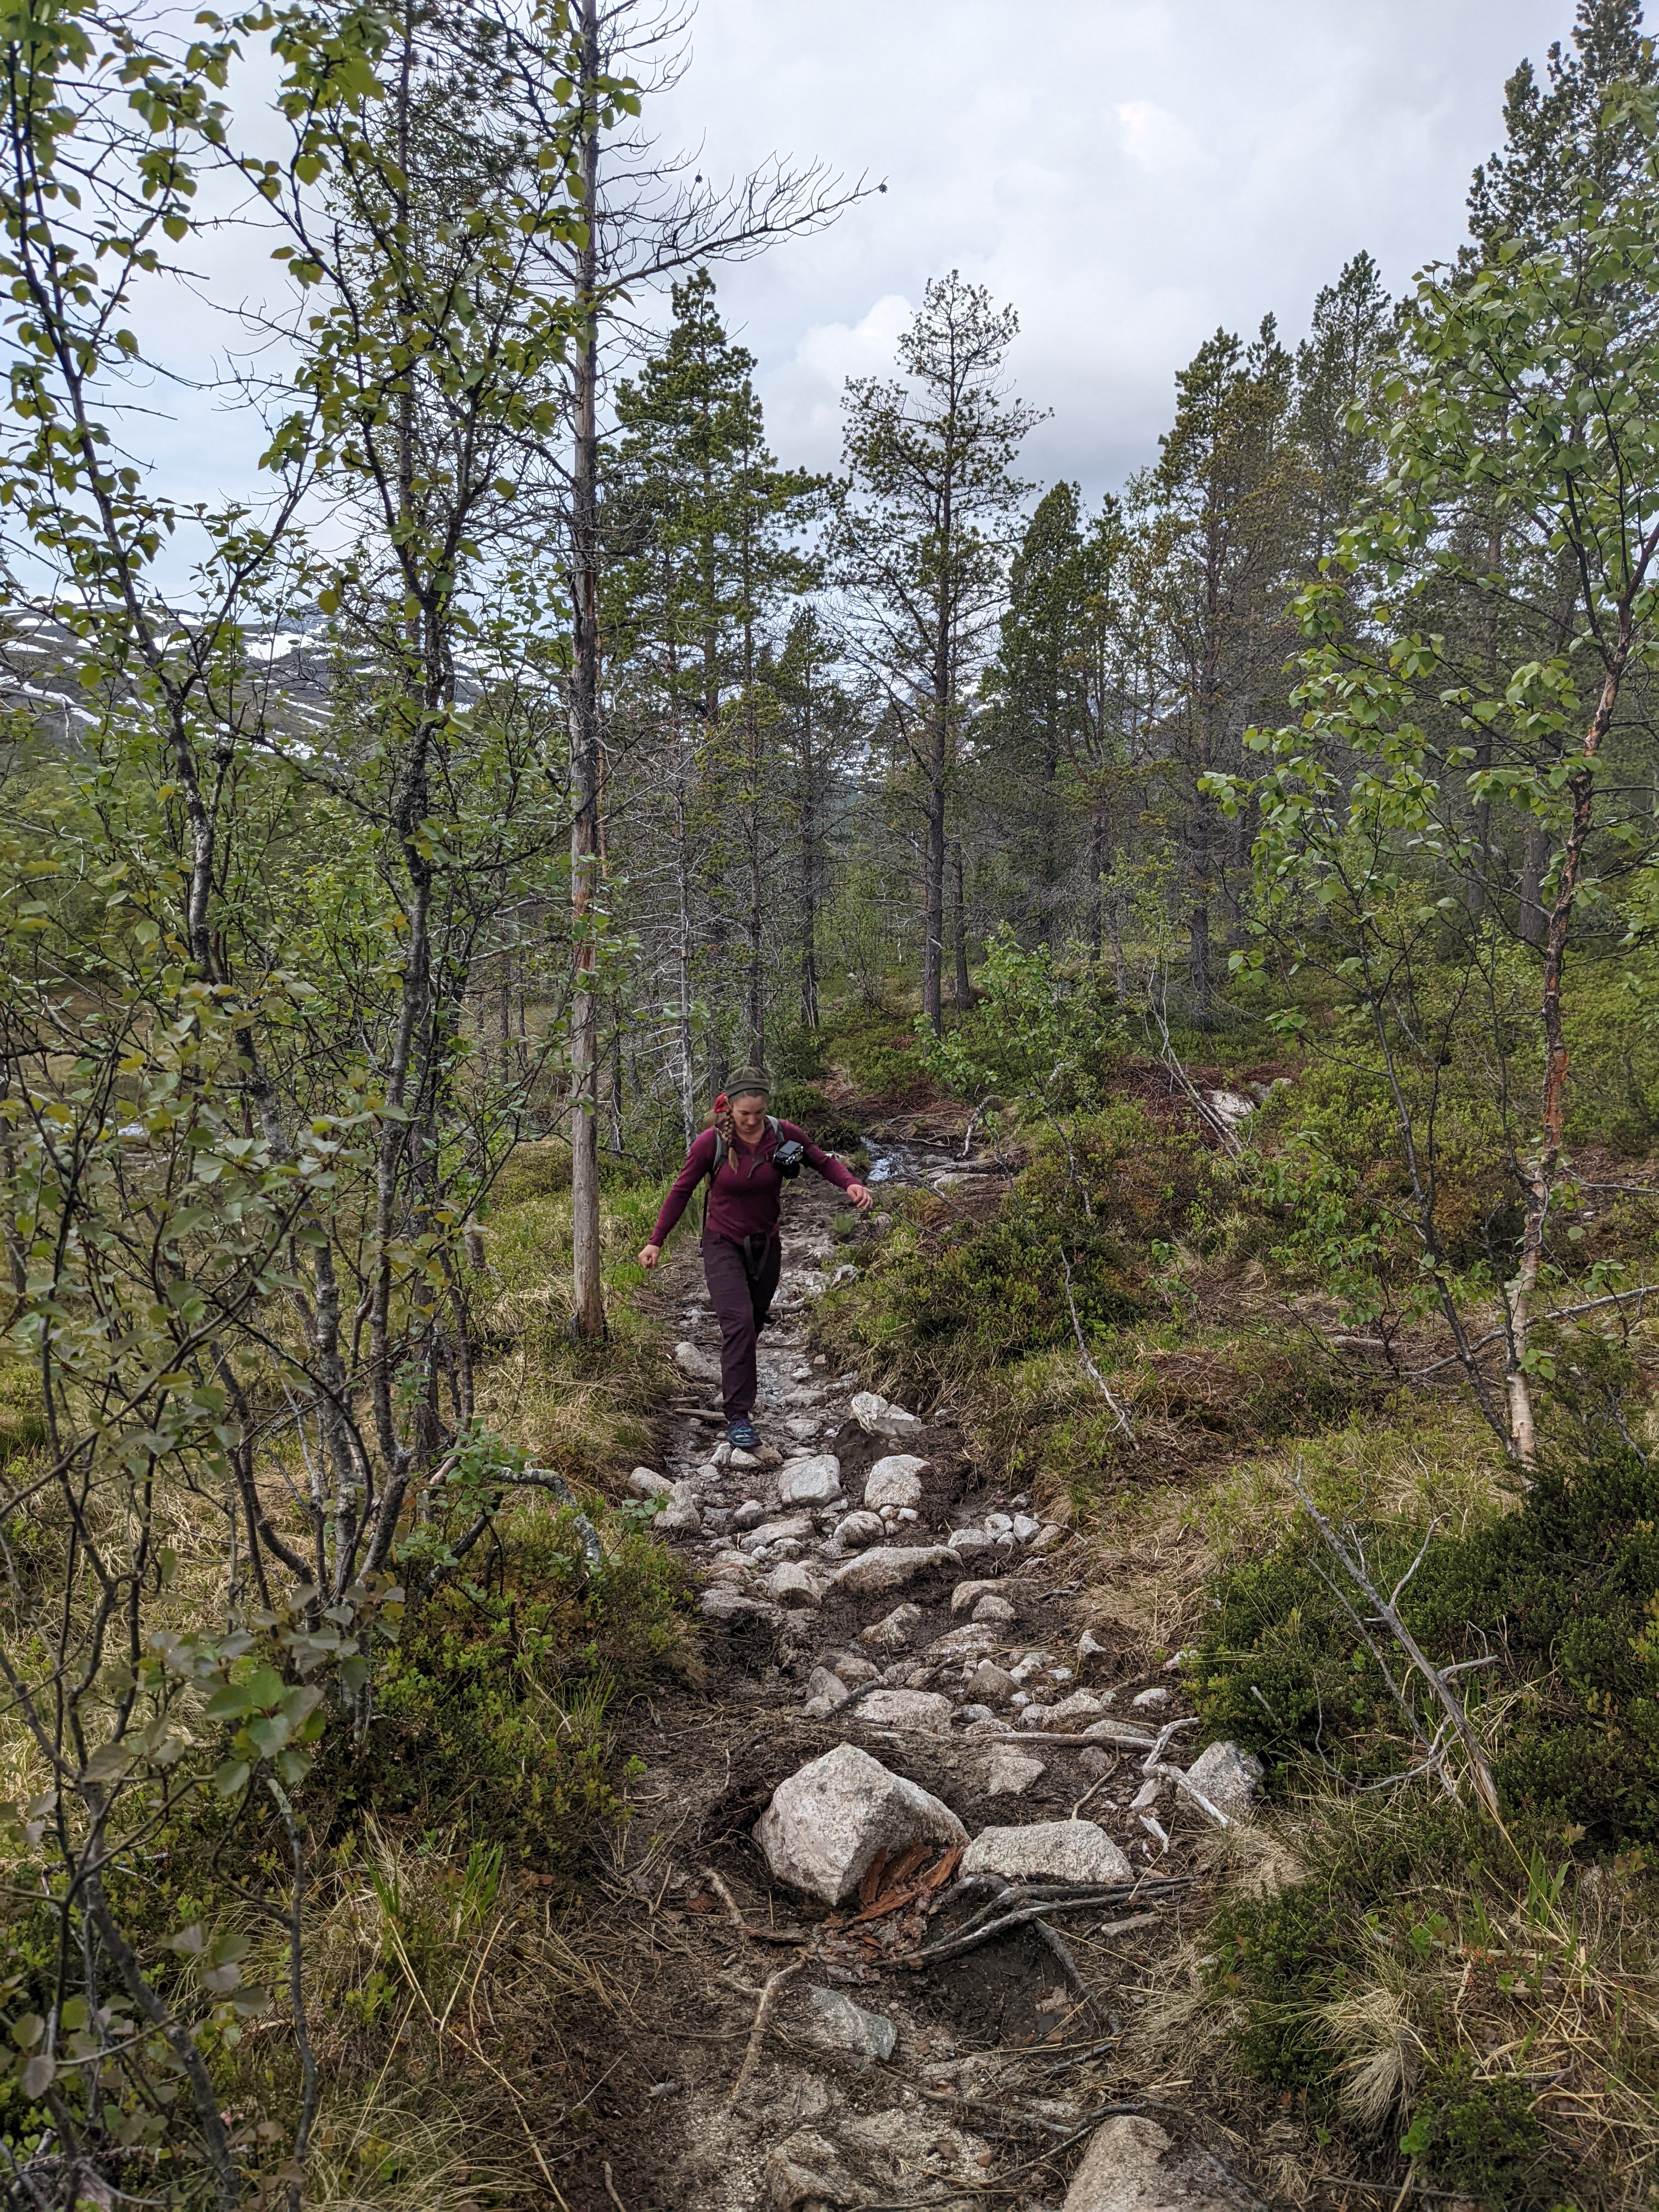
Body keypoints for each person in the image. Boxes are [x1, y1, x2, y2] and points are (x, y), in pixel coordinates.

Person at [638, 1067, 872, 1451]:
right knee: (740, 1324)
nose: (751, 1121)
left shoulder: (782, 1133)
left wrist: (850, 1183)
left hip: (767, 1245)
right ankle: (738, 1417)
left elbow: (820, 1160)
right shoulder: (710, 1144)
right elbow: (681, 1192)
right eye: (744, 1114)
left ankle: (734, 1381)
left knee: (753, 1323)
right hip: (722, 1243)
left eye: (758, 1114)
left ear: (767, 1109)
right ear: (729, 1107)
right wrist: (656, 1242)